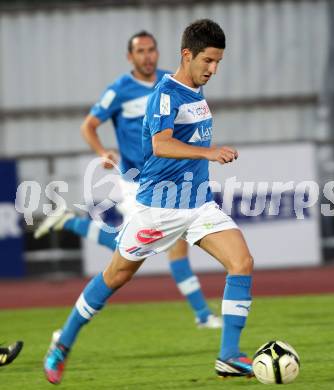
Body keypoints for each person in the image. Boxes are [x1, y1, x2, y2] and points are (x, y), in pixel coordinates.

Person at [43, 19, 254, 385]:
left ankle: (228, 356)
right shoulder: (166, 93)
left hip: (198, 205)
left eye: (218, 62)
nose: (213, 69)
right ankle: (63, 342)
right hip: (158, 208)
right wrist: (209, 153)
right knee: (115, 275)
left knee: (242, 261)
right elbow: (161, 144)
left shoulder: (195, 90)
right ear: (187, 55)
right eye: (207, 60)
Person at [34, 31, 221, 330]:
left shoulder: (171, 83)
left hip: (170, 181)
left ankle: (202, 315)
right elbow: (88, 126)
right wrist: (102, 151)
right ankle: (69, 223)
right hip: (137, 182)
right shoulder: (119, 90)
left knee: (174, 247)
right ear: (130, 57)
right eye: (140, 51)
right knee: (124, 252)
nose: (147, 56)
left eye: (151, 50)